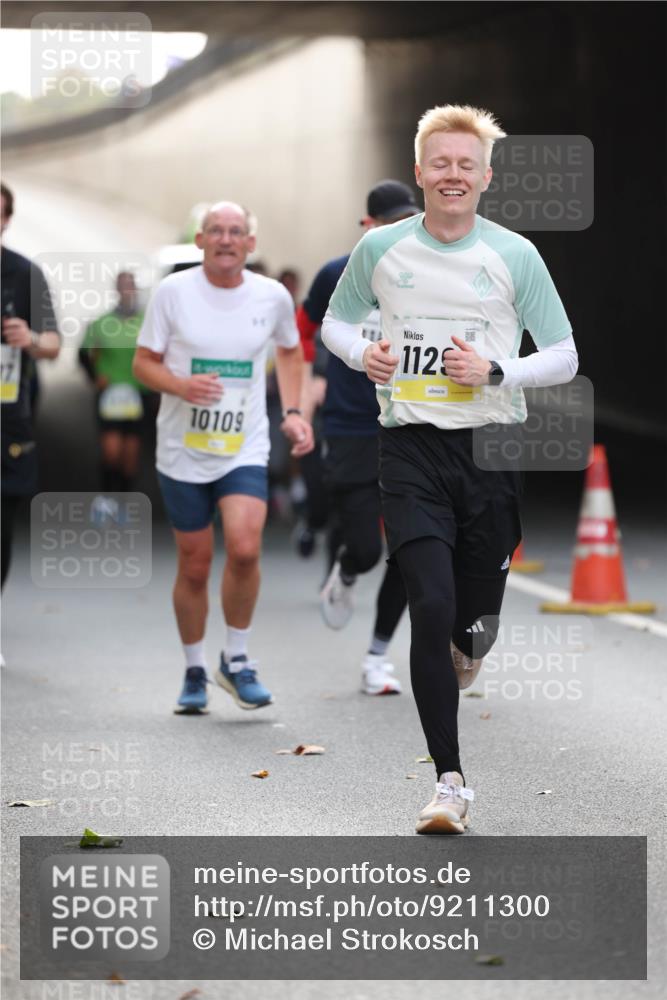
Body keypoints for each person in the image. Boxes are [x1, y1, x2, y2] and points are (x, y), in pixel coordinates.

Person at [322, 105, 578, 833]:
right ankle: (449, 784)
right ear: (419, 171)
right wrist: (360, 353)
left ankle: (469, 648)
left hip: (491, 452)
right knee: (428, 605)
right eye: (441, 163)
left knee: (472, 629)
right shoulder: (379, 252)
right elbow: (338, 323)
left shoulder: (515, 256)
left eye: (466, 164)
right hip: (409, 446)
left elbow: (563, 354)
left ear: (486, 176)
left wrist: (497, 369)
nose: (453, 175)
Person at [133, 202, 313, 714]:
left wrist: (296, 410)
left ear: (250, 244)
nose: (227, 239)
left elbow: (290, 352)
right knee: (193, 564)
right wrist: (181, 385)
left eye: (237, 232)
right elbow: (143, 363)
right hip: (182, 449)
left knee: (244, 545)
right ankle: (194, 670)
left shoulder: (271, 296)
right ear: (200, 240)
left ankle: (236, 660)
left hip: (244, 445)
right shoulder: (173, 293)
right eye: (217, 231)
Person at [299, 181, 420, 696]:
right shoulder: (335, 274)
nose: (400, 231)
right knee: (368, 550)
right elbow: (307, 331)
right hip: (351, 427)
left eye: (407, 220)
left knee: (412, 551)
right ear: (367, 226)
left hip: (413, 425)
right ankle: (347, 571)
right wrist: (307, 392)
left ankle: (376, 658)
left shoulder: (427, 274)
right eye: (389, 222)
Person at [1, 182, 60, 590]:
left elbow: (54, 345)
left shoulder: (25, 274)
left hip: (7, 424)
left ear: (6, 220)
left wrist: (31, 339)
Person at [79, 271, 153, 491]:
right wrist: (94, 377)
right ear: (116, 290)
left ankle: (124, 501)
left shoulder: (147, 322)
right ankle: (107, 497)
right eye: (122, 286)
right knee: (112, 452)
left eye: (130, 286)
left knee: (130, 457)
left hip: (139, 394)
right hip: (111, 393)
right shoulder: (102, 323)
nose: (127, 291)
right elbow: (83, 354)